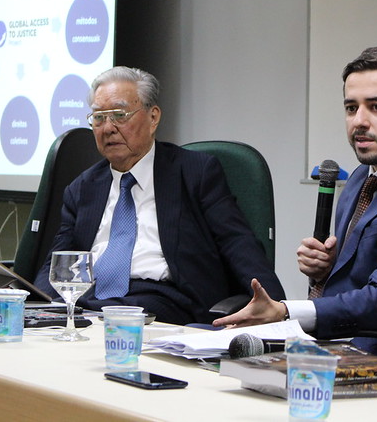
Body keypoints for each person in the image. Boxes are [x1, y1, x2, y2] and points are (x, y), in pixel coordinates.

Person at [213, 46, 377, 359]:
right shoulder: (362, 177)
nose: (359, 121)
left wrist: (286, 312)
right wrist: (325, 270)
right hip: (329, 345)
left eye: (376, 107)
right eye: (351, 108)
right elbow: (358, 279)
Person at [34, 66, 284, 325]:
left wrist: (275, 306)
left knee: (109, 318)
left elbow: (237, 242)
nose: (108, 128)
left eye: (119, 115)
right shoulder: (82, 188)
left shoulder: (194, 173)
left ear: (153, 118)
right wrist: (37, 309)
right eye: (99, 118)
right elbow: (58, 263)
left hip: (163, 300)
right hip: (90, 301)